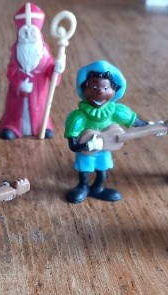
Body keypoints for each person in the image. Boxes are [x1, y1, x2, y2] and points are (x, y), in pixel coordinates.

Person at [64, 61, 148, 204]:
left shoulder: (116, 111)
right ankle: (83, 186)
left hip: (104, 151)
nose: (100, 92)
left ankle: (98, 188)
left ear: (115, 90)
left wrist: (152, 126)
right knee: (84, 168)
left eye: (105, 88)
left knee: (102, 169)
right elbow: (73, 145)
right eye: (94, 87)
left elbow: (136, 122)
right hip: (86, 152)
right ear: (84, 89)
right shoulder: (78, 117)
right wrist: (90, 145)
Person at [0, 2, 64, 139]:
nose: (28, 36)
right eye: (25, 32)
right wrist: (20, 84)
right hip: (18, 94)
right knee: (15, 110)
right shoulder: (17, 51)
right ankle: (12, 127)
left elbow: (51, 70)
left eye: (32, 32)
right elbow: (11, 72)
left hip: (38, 92)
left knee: (39, 108)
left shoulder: (44, 53)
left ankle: (42, 126)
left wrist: (57, 69)